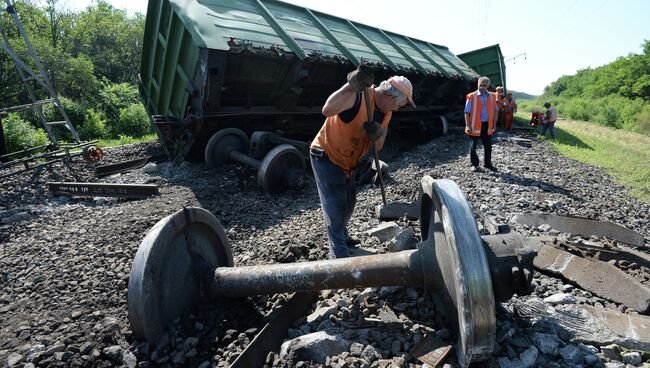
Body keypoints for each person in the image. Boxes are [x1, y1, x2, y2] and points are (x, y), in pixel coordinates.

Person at [310, 64, 415, 258]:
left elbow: (379, 146)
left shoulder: (386, 112)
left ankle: (342, 235)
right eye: (399, 104)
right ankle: (339, 258)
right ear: (391, 97)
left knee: (349, 201)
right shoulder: (360, 95)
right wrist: (350, 86)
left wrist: (375, 136)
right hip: (326, 154)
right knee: (335, 207)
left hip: (349, 160)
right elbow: (327, 109)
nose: (398, 109)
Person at [465, 76, 499, 172]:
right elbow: (466, 112)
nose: (482, 87)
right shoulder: (472, 96)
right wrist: (467, 125)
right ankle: (474, 164)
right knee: (473, 146)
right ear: (477, 84)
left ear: (488, 85)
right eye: (480, 85)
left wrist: (494, 124)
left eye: (484, 85)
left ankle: (488, 164)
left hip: (487, 125)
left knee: (488, 145)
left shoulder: (492, 96)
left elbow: (496, 111)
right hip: (474, 125)